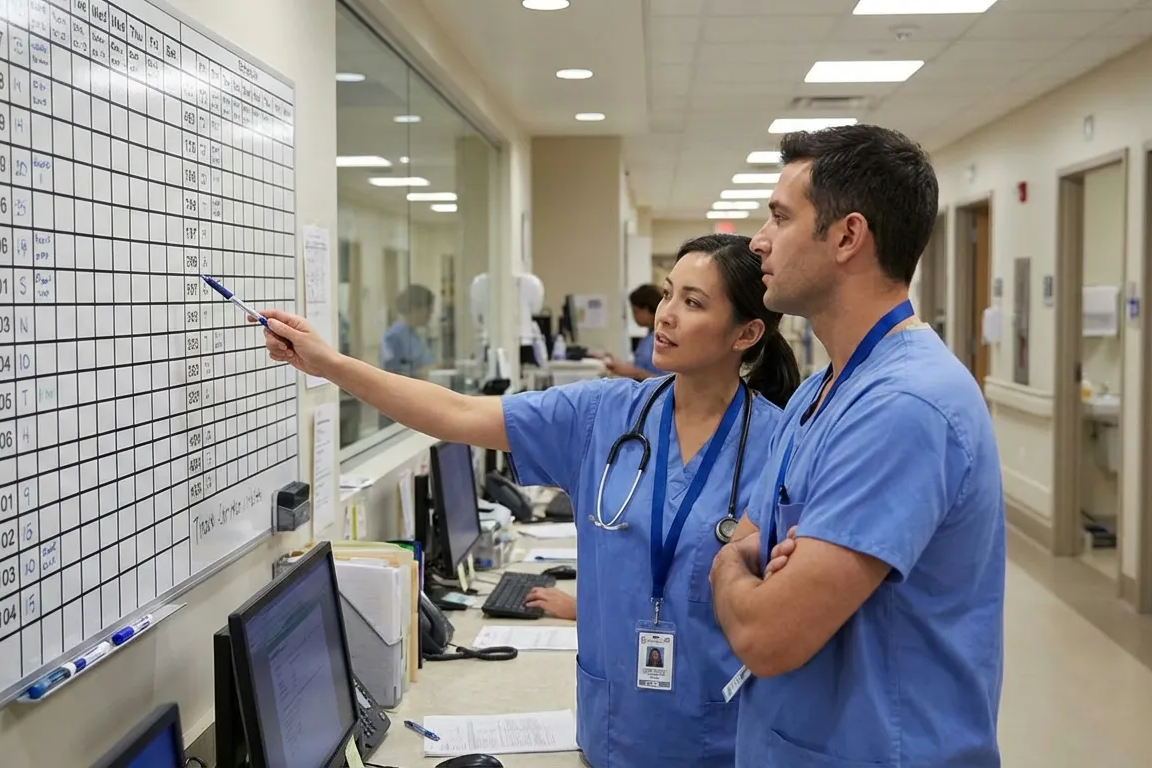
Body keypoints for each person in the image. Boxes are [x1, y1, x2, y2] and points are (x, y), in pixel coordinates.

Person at [256, 234, 801, 768]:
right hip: (612, 730)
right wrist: (331, 365)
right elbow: (458, 414)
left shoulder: (782, 445)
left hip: (718, 739)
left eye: (693, 302)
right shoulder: (601, 416)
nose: (666, 314)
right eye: (666, 293)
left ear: (746, 332)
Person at [708, 125, 1005, 767]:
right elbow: (750, 542)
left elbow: (767, 634)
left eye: (780, 218)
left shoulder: (904, 406)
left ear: (848, 236)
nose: (758, 241)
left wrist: (730, 567)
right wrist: (748, 560)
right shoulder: (823, 390)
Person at [603, 284, 664, 380]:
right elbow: (642, 366)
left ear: (648, 309)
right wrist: (620, 365)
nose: (633, 316)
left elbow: (665, 381)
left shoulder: (662, 338)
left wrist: (634, 372)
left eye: (636, 311)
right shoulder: (649, 336)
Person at [380, 284, 436, 376]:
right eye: (428, 311)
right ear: (415, 309)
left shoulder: (416, 335)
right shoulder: (394, 336)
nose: (430, 316)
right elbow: (392, 372)